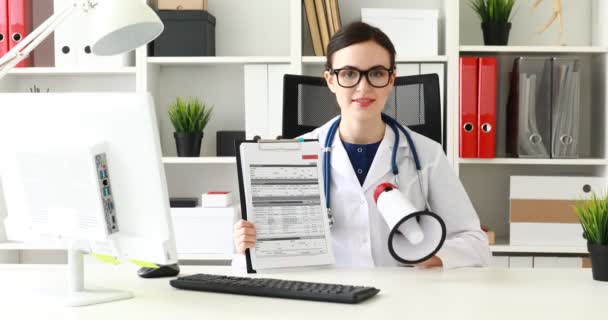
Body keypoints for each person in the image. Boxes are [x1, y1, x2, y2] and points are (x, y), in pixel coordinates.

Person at [233, 21, 491, 269]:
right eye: (349, 73)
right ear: (330, 80)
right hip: (326, 299)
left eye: (377, 73)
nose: (363, 86)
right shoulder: (292, 154)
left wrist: (429, 257)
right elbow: (257, 261)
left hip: (404, 300)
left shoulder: (426, 153)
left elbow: (475, 242)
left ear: (391, 80)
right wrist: (246, 246)